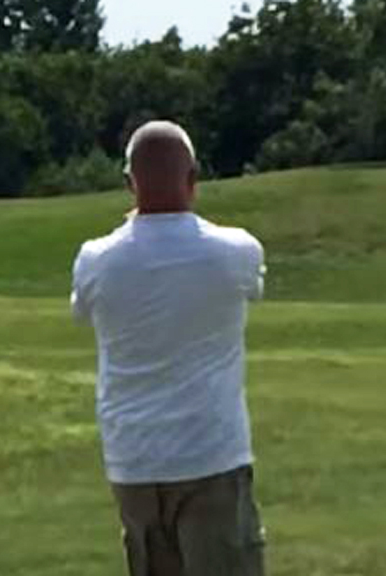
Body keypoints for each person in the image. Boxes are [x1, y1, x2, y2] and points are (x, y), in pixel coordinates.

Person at [70, 120, 267, 575]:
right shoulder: (236, 251)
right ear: (194, 178)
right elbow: (250, 286)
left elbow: (81, 307)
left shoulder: (95, 260)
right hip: (211, 454)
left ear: (128, 184)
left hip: (133, 461)